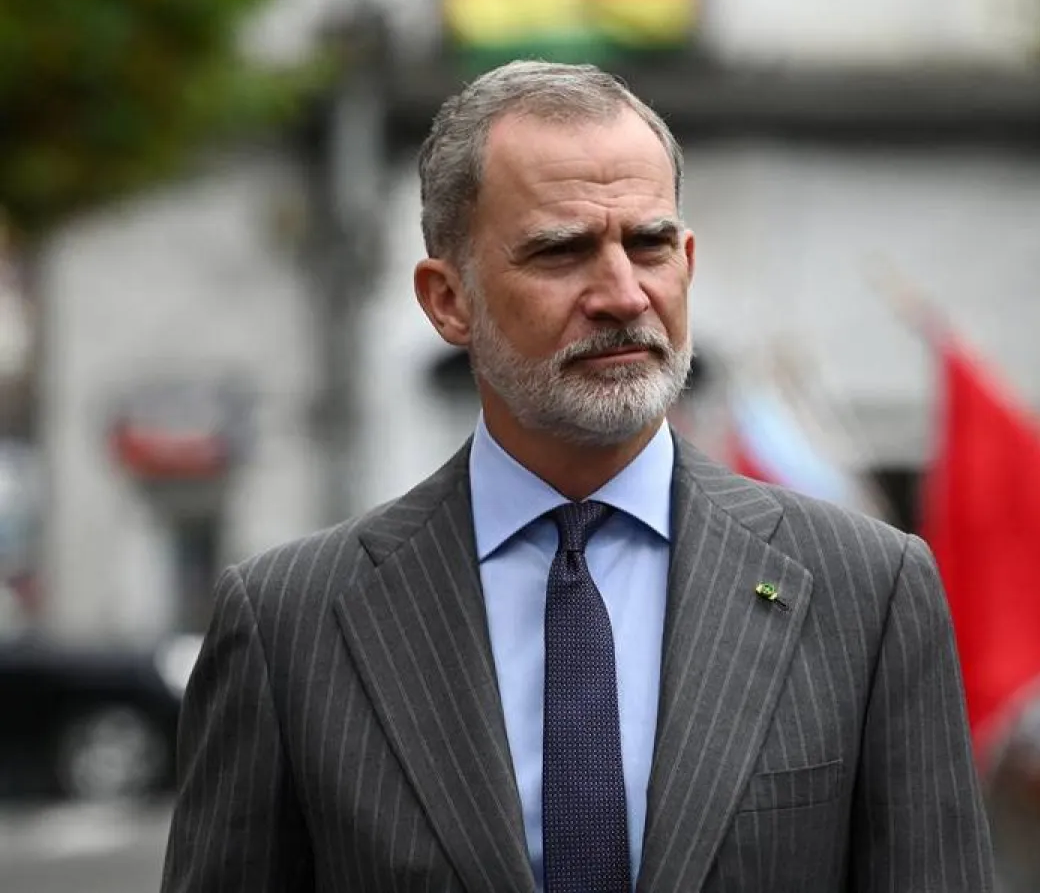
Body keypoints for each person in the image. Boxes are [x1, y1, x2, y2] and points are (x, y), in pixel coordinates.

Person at [160, 60, 996, 892]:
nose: (624, 293)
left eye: (650, 243)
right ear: (448, 300)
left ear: (688, 262)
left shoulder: (867, 592)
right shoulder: (289, 626)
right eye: (562, 251)